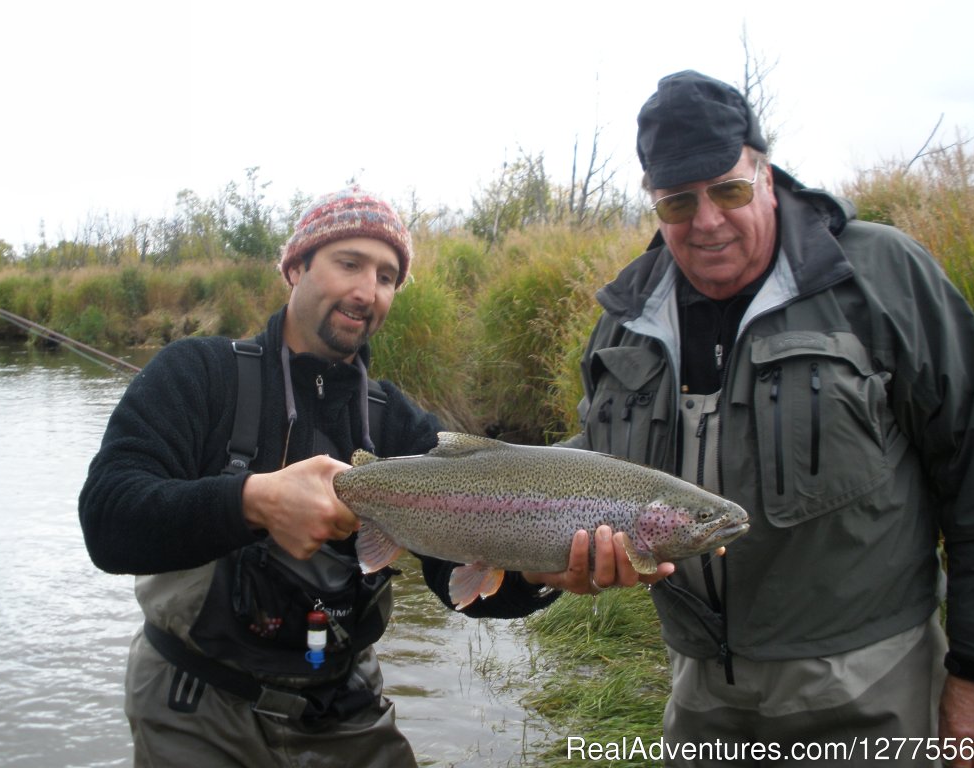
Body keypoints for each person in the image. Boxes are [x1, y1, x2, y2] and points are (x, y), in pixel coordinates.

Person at [78, 187, 617, 767]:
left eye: (387, 276)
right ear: (295, 267)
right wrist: (252, 500)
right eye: (350, 263)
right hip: (197, 705)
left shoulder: (399, 424)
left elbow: (456, 583)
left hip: (343, 704)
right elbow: (109, 520)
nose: (367, 291)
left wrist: (540, 573)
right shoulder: (197, 374)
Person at [565, 70, 974, 766]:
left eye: (727, 190)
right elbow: (586, 467)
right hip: (700, 697)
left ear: (765, 171)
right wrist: (550, 565)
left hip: (873, 688)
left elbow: (971, 470)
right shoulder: (623, 321)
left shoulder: (883, 276)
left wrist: (970, 674)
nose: (707, 222)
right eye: (676, 203)